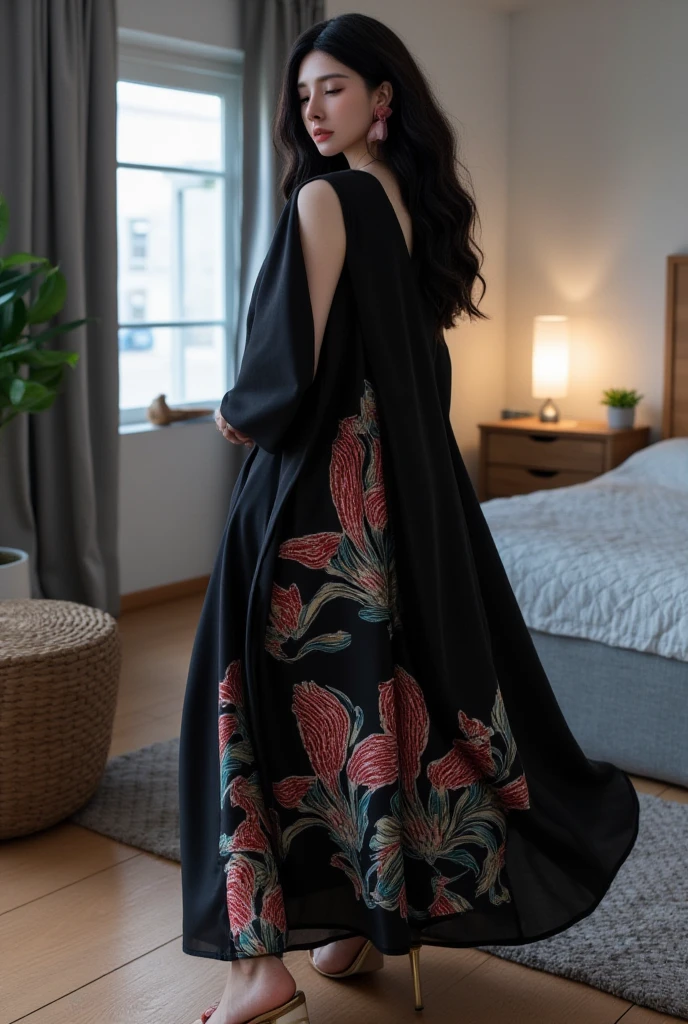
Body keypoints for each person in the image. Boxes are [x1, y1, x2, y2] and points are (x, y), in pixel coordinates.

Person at [178, 13, 640, 1024]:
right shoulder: (402, 202)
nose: (312, 108)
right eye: (303, 93)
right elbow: (418, 372)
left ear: (383, 97)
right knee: (380, 695)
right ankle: (355, 916)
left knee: (249, 704)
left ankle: (256, 967)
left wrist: (232, 408)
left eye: (333, 88)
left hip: (315, 498)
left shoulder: (325, 196)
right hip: (403, 503)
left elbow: (285, 369)